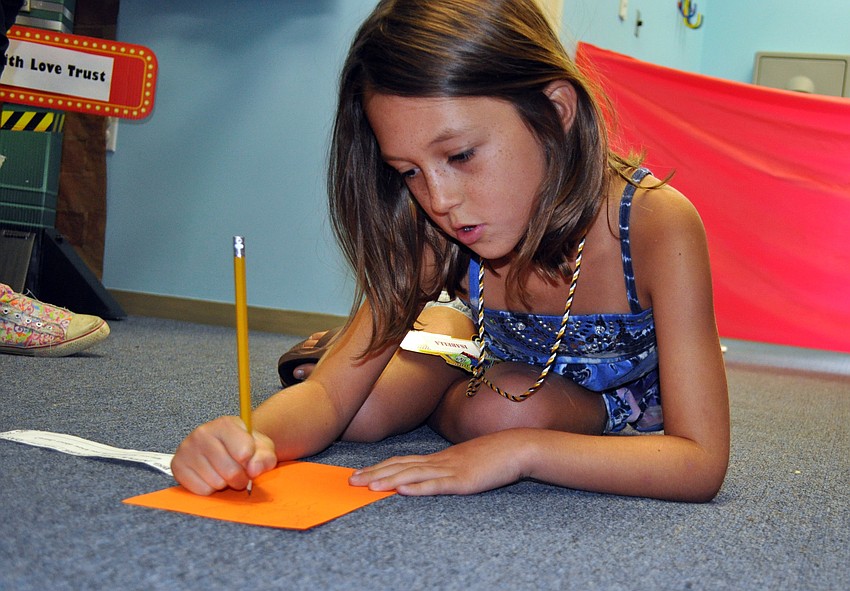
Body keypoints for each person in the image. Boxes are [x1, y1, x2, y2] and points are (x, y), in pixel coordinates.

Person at [172, 0, 729, 502]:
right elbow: (329, 397)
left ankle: (440, 347)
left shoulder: (657, 223)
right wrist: (248, 438)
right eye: (408, 171)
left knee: (507, 413)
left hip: (587, 398)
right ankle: (443, 338)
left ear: (556, 112)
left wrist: (521, 453)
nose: (440, 201)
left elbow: (699, 461)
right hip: (492, 360)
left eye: (461, 155)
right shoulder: (433, 228)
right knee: (361, 414)